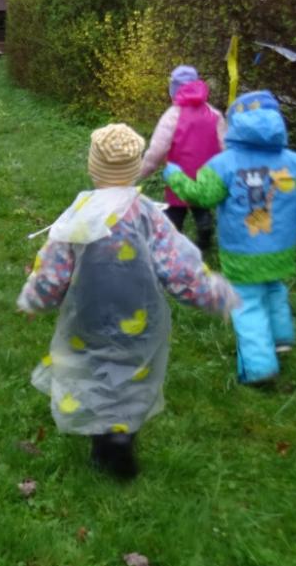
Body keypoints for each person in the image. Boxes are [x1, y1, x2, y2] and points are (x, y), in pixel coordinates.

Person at [18, 123, 239, 479]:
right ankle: (121, 436)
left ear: (93, 166)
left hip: (87, 318)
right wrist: (217, 294)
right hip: (139, 316)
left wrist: (34, 299)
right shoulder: (149, 215)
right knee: (131, 376)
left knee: (94, 371)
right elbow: (179, 269)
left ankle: (102, 442)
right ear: (136, 167)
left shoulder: (80, 214)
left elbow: (53, 271)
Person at [164, 90, 296, 385]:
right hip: (281, 248)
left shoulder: (223, 164)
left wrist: (175, 176)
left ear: (235, 125)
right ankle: (281, 339)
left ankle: (259, 367)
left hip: (242, 251)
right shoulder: (292, 162)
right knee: (273, 287)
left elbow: (201, 196)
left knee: (246, 302)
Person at [138, 65, 226, 251]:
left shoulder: (173, 115)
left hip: (179, 175)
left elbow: (157, 150)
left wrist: (140, 172)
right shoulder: (214, 114)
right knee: (201, 205)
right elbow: (225, 148)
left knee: (175, 211)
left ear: (174, 90)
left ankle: (169, 245)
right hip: (206, 176)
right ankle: (204, 230)